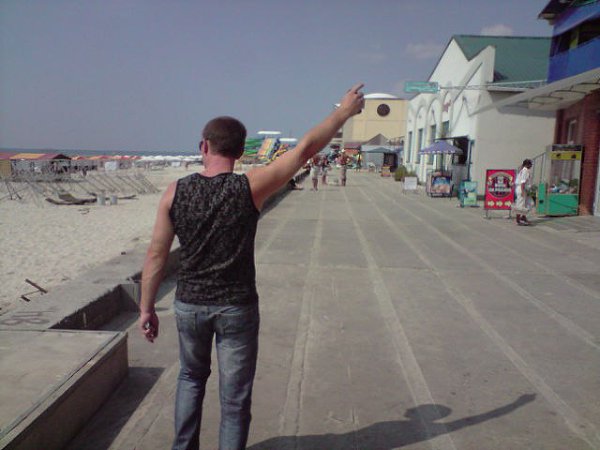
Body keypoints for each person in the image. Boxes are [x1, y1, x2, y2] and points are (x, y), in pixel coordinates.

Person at [138, 83, 365, 450]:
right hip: (236, 306)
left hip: (190, 305)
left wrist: (147, 307)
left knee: (191, 379)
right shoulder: (250, 186)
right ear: (240, 152)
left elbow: (156, 255)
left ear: (204, 146)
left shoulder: (174, 192)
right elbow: (305, 149)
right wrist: (343, 113)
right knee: (234, 397)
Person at [514, 158, 533, 226]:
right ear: (527, 164)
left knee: (529, 203)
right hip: (522, 189)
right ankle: (518, 220)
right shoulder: (525, 171)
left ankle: (523, 217)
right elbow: (523, 182)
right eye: (530, 164)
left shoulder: (525, 170)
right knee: (520, 204)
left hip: (525, 189)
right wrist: (522, 191)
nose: (531, 165)